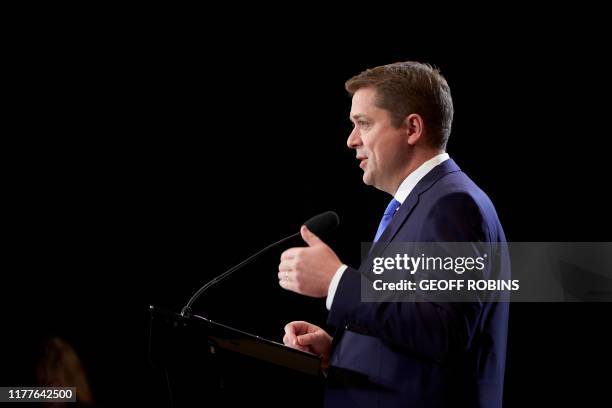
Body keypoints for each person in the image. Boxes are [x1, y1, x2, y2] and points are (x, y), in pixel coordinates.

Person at [278, 61, 510, 407]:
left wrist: (338, 282)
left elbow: (446, 330)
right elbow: (414, 323)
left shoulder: (455, 204)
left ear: (412, 128)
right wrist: (340, 350)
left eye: (364, 124)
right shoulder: (424, 202)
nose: (351, 140)